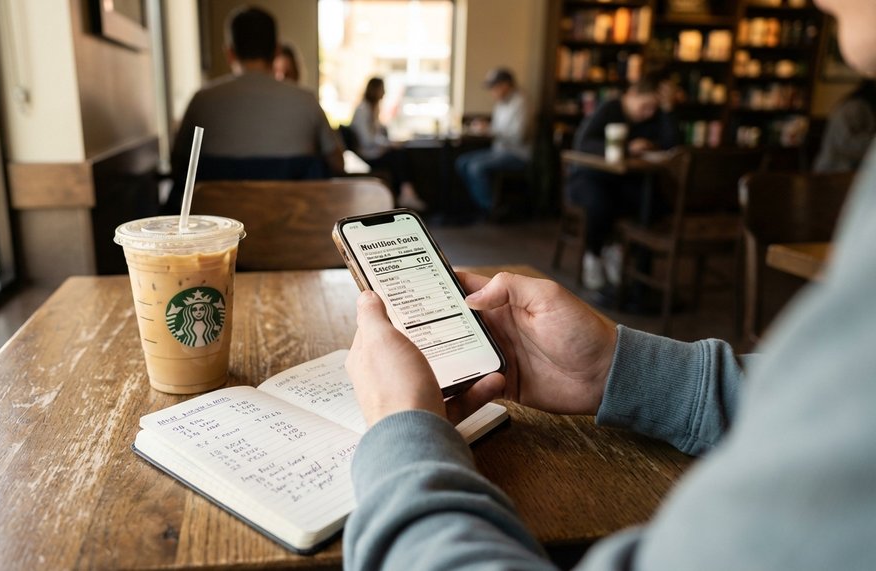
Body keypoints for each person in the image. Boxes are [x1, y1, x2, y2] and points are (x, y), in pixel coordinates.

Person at [342, 0, 876, 568]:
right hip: (611, 201)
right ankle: (605, 259)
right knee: (600, 199)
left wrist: (403, 431)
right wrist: (617, 368)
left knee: (602, 201)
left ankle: (605, 258)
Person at [165, 7, 342, 214]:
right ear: (276, 50)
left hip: (217, 236)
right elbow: (337, 163)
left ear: (229, 52)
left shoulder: (202, 100)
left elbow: (177, 165)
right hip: (295, 236)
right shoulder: (306, 101)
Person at [567, 74, 679, 292]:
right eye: (646, 106)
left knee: (653, 202)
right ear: (632, 94)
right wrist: (627, 147)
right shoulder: (610, 108)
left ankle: (624, 256)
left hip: (627, 180)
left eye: (654, 109)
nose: (649, 113)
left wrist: (668, 110)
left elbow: (671, 145)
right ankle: (595, 254)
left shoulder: (653, 117)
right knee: (600, 202)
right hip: (589, 177)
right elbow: (583, 143)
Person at [455, 67, 532, 219]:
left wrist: (490, 130)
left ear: (505, 85)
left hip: (517, 154)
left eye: (493, 87)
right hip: (499, 151)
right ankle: (483, 206)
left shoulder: (522, 102)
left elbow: (519, 136)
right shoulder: (501, 103)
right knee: (462, 162)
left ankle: (492, 210)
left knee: (476, 167)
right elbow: (498, 129)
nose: (492, 91)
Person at [349, 77, 426, 210]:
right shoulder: (363, 109)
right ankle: (406, 194)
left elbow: (377, 134)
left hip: (374, 152)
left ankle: (404, 194)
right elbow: (368, 140)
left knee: (400, 155)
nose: (384, 93)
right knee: (399, 156)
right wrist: (389, 144)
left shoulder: (373, 109)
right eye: (382, 89)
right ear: (375, 90)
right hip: (367, 156)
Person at [814, 79, 876, 173]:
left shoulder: (864, 107)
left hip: (849, 171)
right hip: (834, 170)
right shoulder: (854, 107)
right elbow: (845, 142)